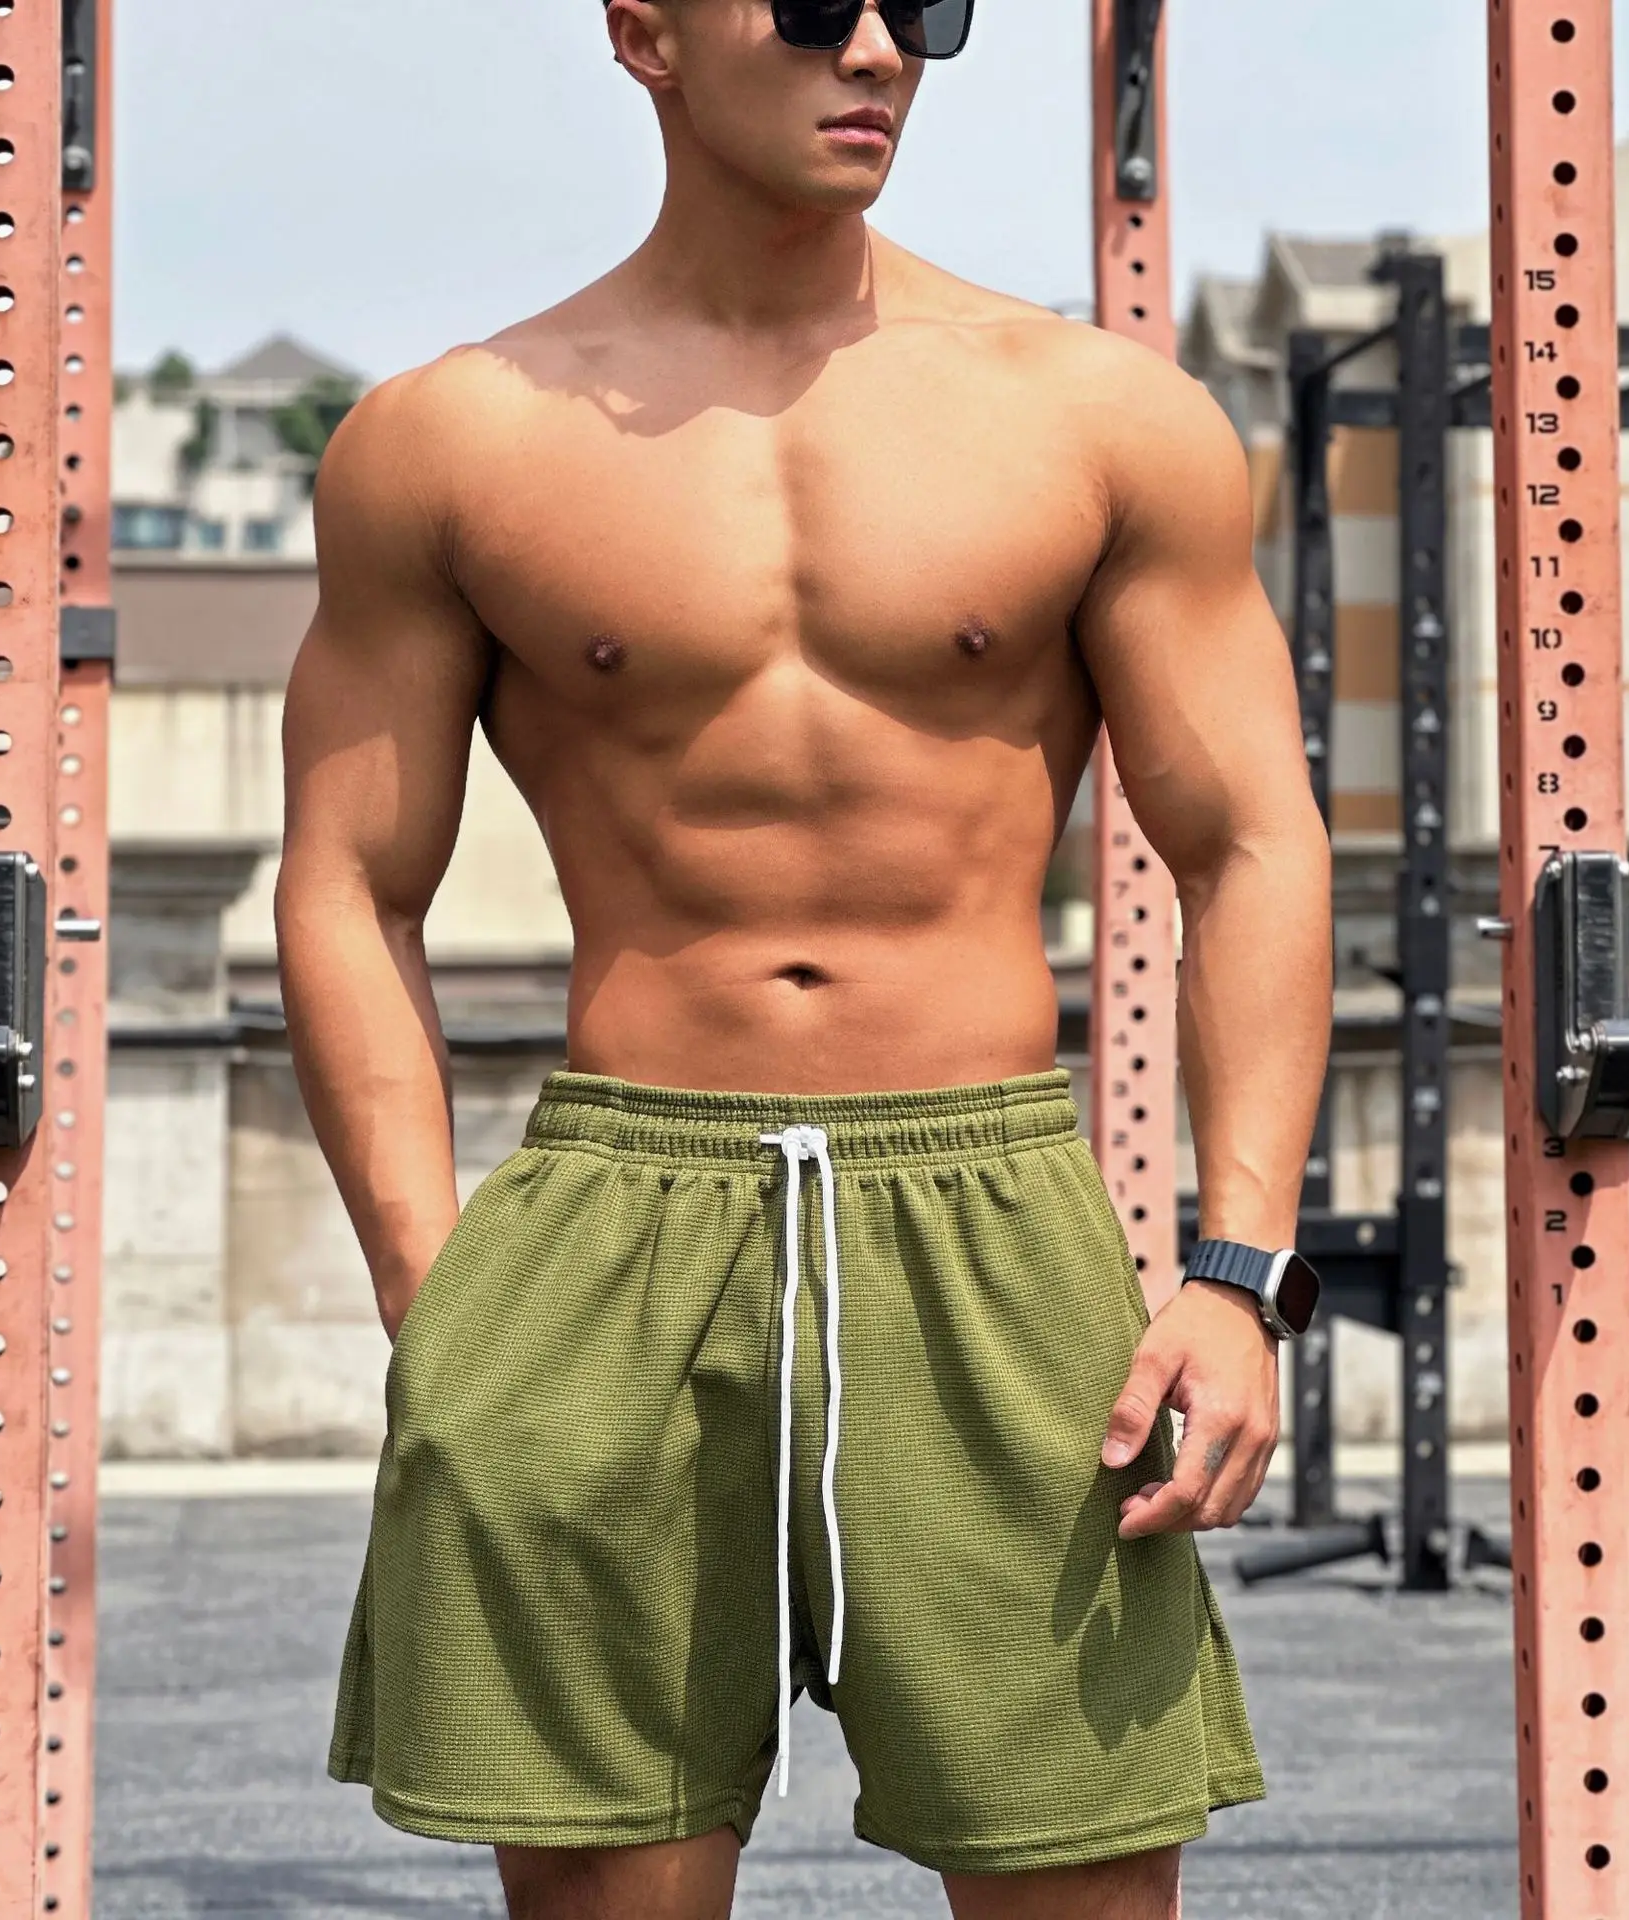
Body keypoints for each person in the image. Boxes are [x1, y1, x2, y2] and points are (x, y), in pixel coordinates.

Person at [275, 2, 1332, 1915]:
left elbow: (1249, 840)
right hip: (616, 1220)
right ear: (645, 32)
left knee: (1082, 1882)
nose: (879, 48)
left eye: (927, 4)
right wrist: (439, 1299)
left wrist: (1241, 1267)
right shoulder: (452, 440)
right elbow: (350, 880)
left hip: (991, 1218)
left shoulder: (1098, 418)